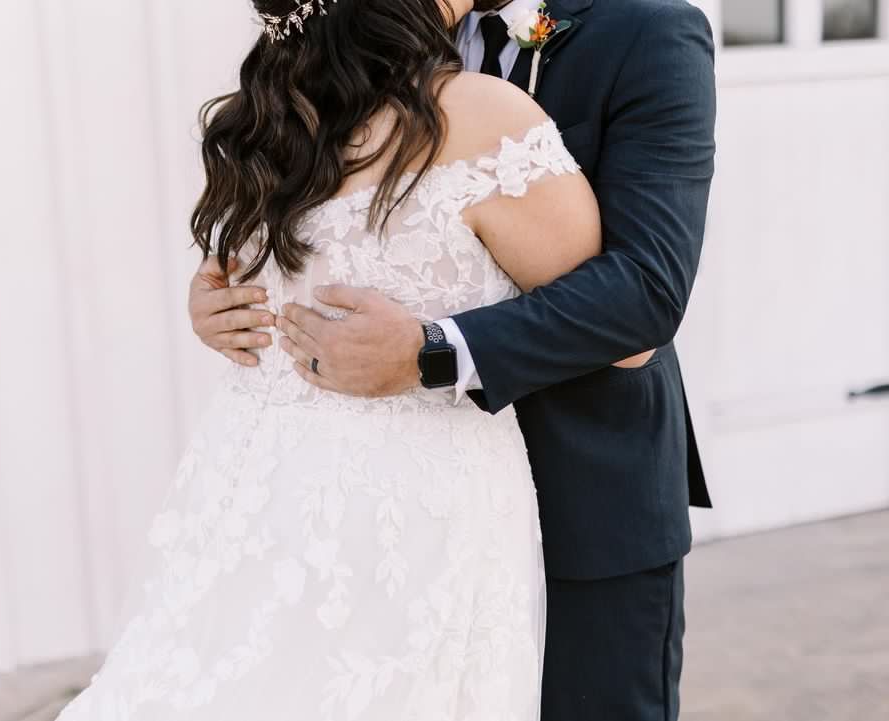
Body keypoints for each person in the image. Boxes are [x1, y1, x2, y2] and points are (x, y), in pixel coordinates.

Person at [58, 0, 614, 718]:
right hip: (412, 510)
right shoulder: (480, 116)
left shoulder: (267, 123)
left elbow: (259, 274)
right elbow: (621, 326)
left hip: (257, 490)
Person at [189, 0, 717, 719]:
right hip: (404, 530)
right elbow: (335, 221)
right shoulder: (370, 37)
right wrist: (236, 289)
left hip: (589, 500)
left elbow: (647, 291)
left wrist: (432, 353)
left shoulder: (648, 31)